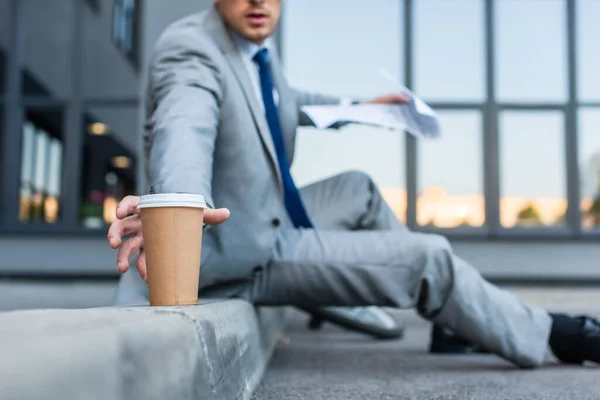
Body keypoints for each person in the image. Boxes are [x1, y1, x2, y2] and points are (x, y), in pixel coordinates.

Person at [108, 0, 600, 367]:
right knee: (427, 258)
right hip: (241, 251)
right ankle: (557, 335)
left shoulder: (252, 46)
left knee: (358, 187)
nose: (258, 0)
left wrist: (365, 110)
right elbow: (185, 127)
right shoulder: (191, 50)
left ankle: (456, 319)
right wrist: (178, 209)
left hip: (268, 213)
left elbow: (283, 101)